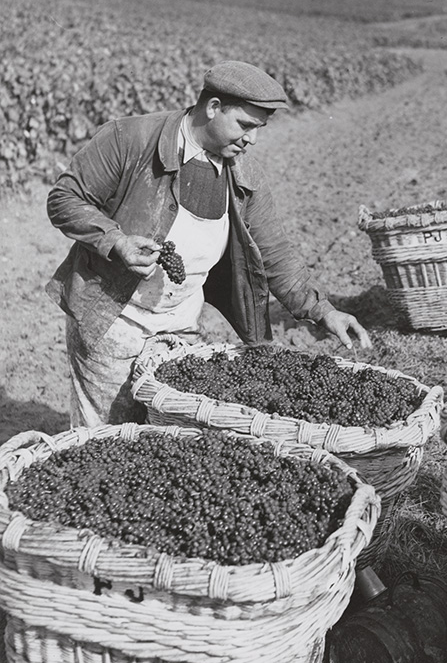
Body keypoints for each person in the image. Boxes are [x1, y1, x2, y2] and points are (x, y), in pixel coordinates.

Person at [46, 60, 371, 427]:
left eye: (259, 128)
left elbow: (273, 253)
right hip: (115, 319)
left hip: (181, 322)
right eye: (245, 126)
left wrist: (324, 311)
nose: (252, 139)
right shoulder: (130, 138)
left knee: (176, 431)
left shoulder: (244, 174)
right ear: (213, 108)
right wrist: (116, 241)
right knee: (110, 433)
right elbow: (65, 198)